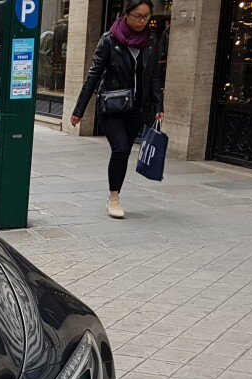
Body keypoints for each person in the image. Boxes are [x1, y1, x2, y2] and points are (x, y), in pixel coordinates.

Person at [70, 0, 164, 219]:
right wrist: (79, 110)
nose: (143, 21)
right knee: (120, 148)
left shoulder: (151, 41)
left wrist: (158, 104)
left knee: (124, 152)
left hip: (136, 108)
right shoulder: (109, 40)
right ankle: (114, 198)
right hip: (111, 106)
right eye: (138, 16)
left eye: (147, 16)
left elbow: (154, 75)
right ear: (126, 15)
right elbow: (93, 75)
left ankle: (115, 193)